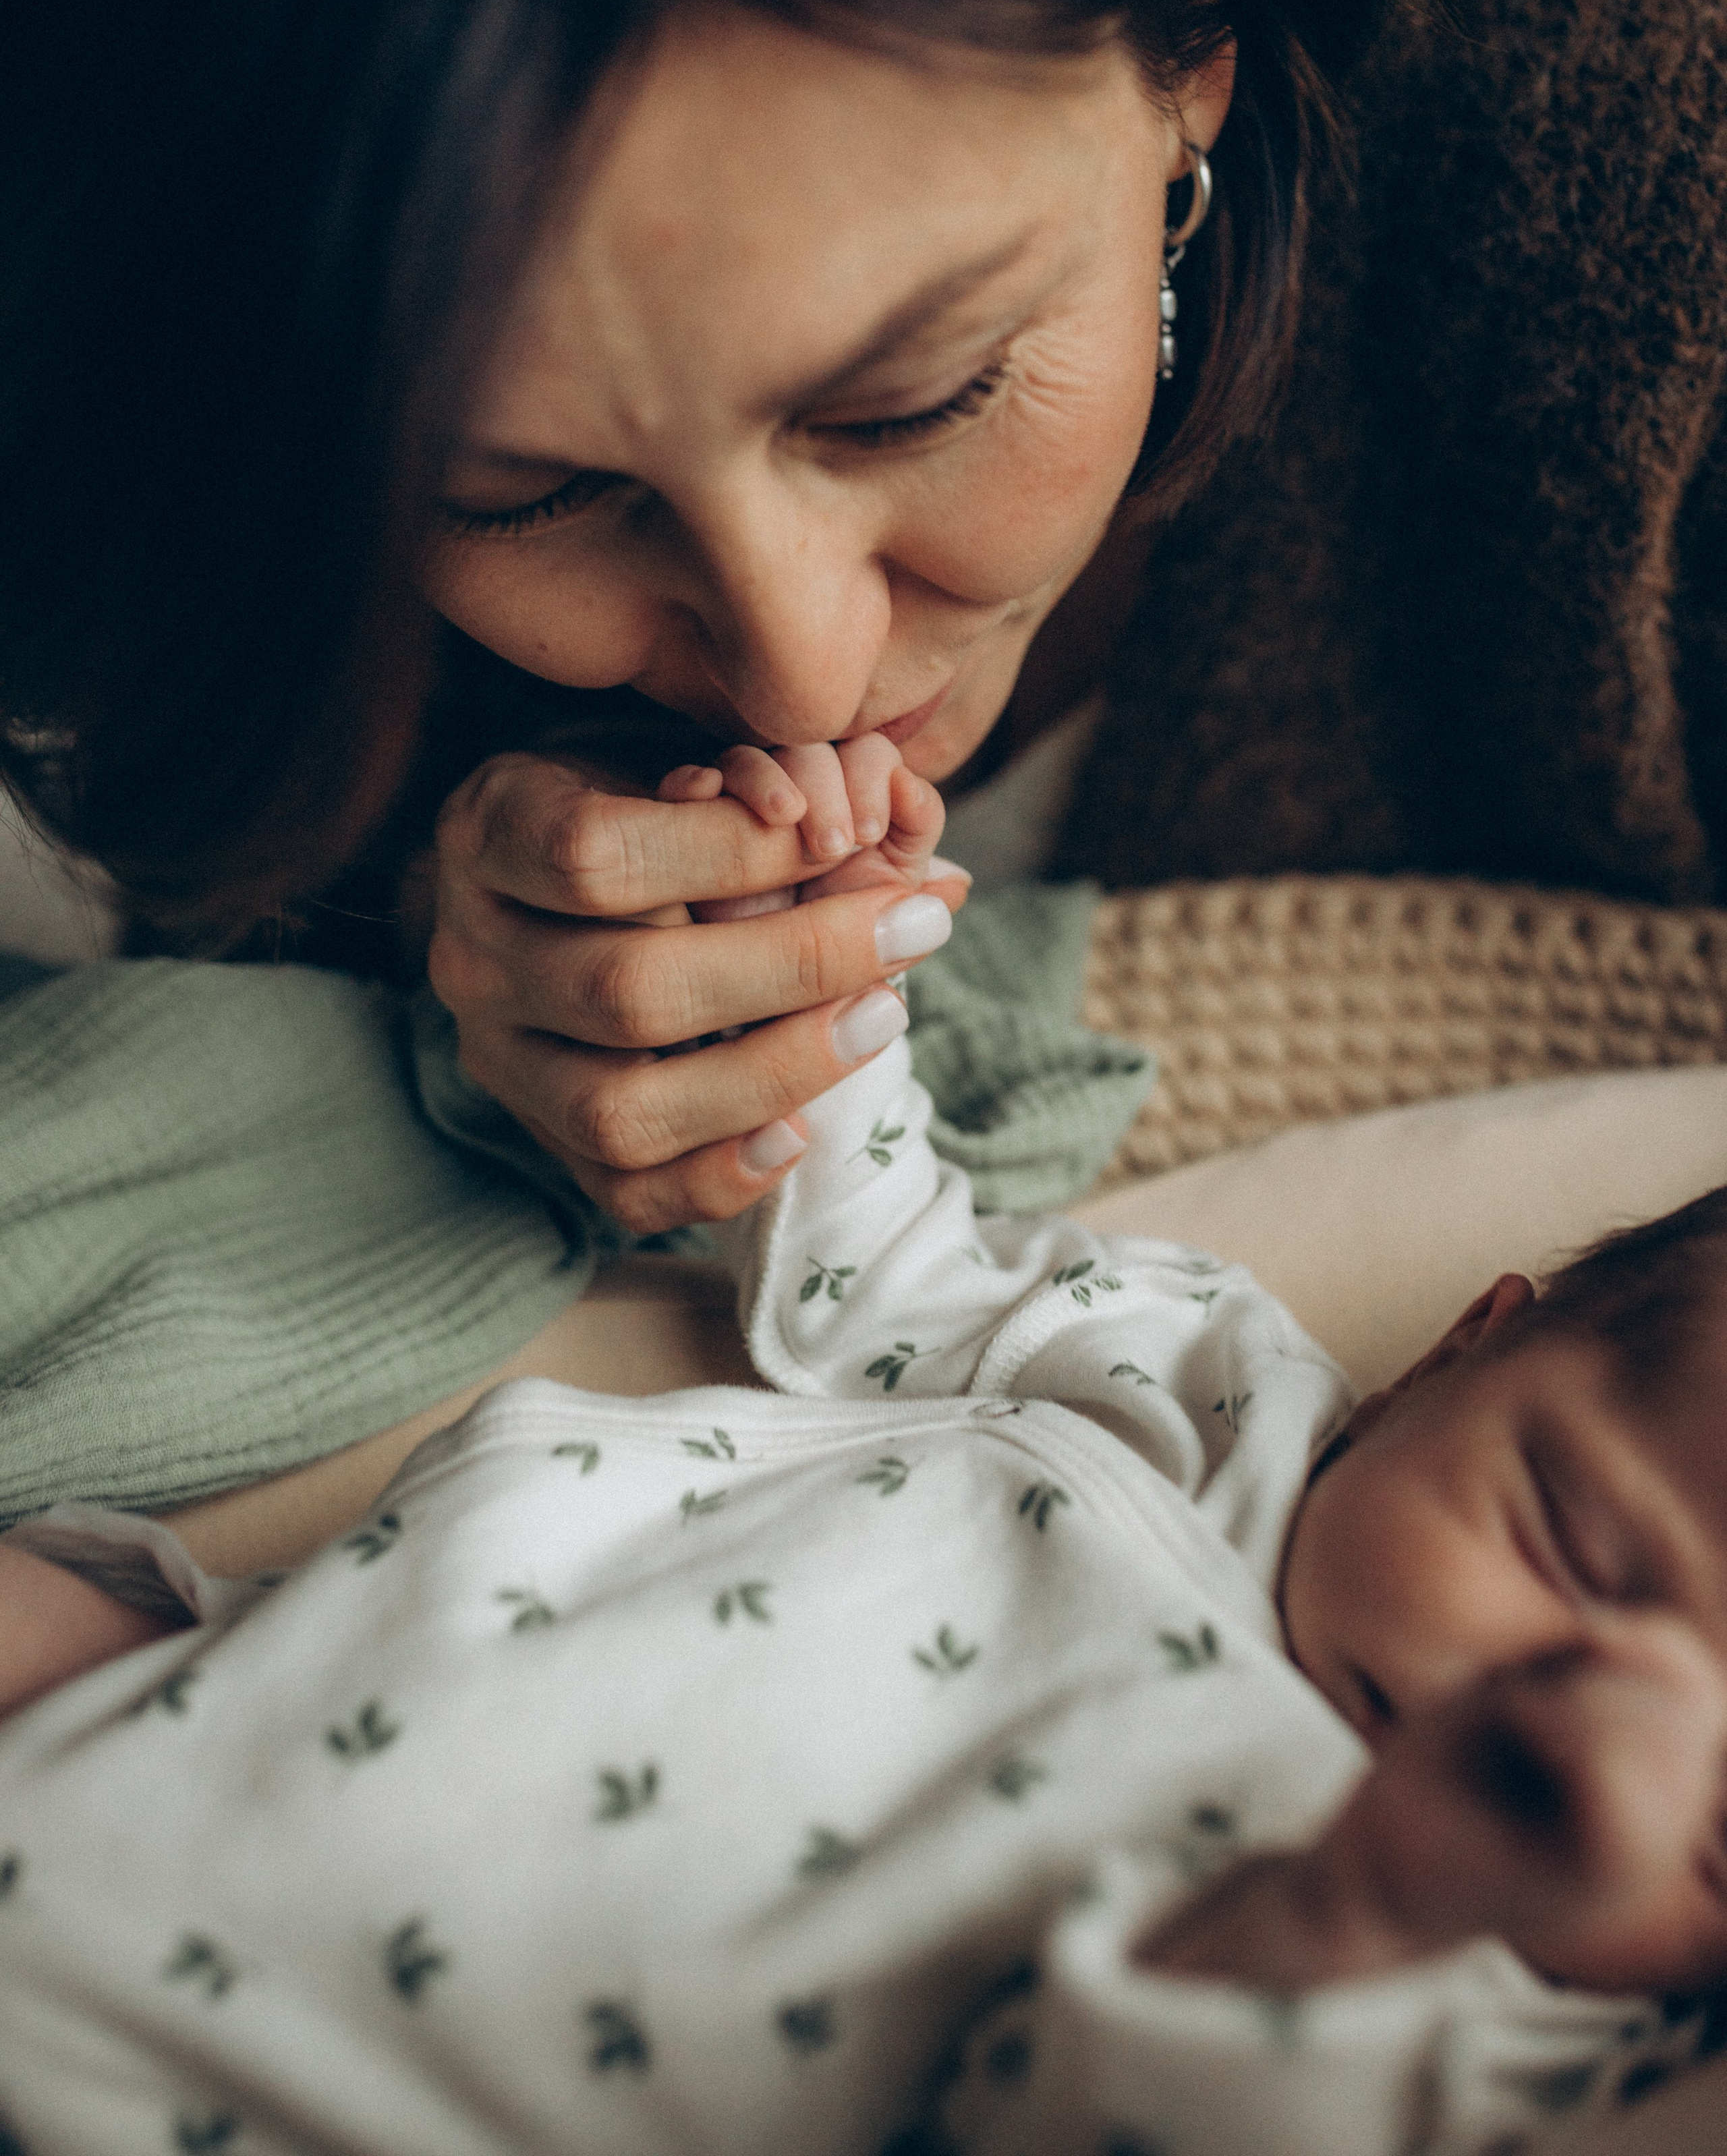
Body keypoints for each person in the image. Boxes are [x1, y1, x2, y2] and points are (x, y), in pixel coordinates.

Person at [1, 0, 1723, 1313]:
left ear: (1202, 23)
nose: (803, 671)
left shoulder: (1649, 197)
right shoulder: (137, 284)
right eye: (516, 497)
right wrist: (419, 960)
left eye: (922, 396)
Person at [4, 857, 1727, 2151]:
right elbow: (893, 1269)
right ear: (1456, 1354)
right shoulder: (1203, 1382)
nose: (1583, 1705)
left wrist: (1367, 1911)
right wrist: (810, 968)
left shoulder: (1496, 2038)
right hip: (236, 1666)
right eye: (1569, 1545)